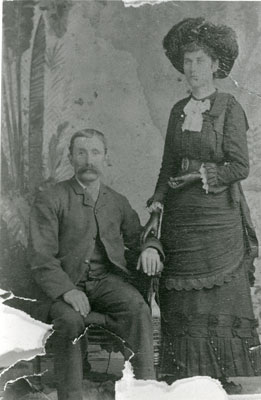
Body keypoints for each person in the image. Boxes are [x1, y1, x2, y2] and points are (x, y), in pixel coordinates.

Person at [143, 17, 261, 394]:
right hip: (182, 216)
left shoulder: (229, 107)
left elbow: (240, 166)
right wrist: (158, 201)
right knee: (182, 297)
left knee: (218, 299)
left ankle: (221, 375)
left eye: (200, 60)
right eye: (187, 61)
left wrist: (200, 176)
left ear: (215, 65)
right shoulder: (178, 109)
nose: (192, 68)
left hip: (219, 219)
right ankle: (183, 373)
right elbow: (167, 164)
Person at [28, 128, 164, 400]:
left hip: (105, 282)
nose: (88, 160)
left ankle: (146, 390)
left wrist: (151, 248)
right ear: (71, 158)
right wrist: (67, 290)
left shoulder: (117, 201)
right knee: (69, 320)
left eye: (95, 152)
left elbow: (138, 237)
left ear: (105, 158)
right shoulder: (51, 198)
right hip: (64, 284)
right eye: (81, 153)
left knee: (137, 308)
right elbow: (41, 256)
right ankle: (72, 395)